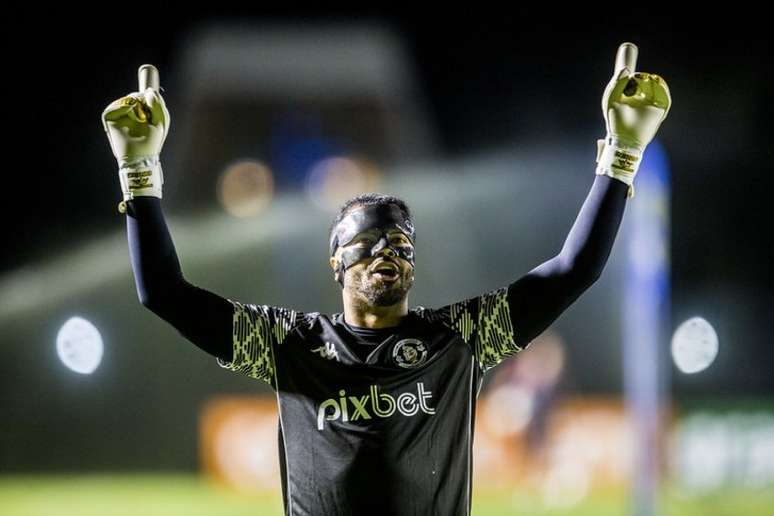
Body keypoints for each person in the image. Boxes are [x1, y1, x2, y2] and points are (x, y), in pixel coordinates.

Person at [101, 42, 670, 516]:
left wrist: (621, 155)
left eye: (400, 243)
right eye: (367, 243)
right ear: (335, 262)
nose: (385, 253)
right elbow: (164, 293)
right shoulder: (288, 344)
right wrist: (138, 175)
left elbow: (573, 270)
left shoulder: (459, 339)